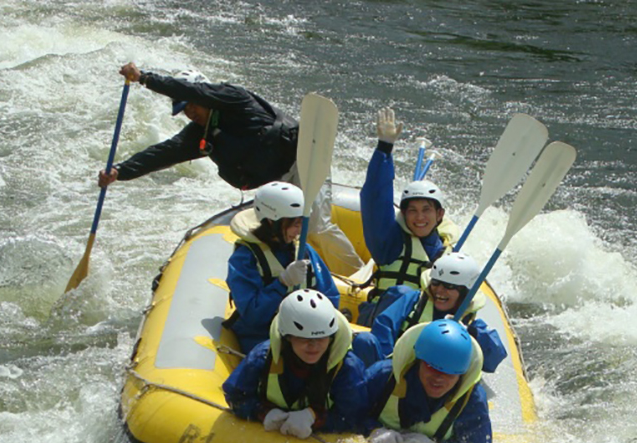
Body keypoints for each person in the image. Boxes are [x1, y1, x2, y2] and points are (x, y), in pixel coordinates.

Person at [98, 62, 363, 273]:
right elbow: (162, 153)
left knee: (315, 224)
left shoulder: (234, 99)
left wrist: (144, 78)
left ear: (204, 95)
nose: (189, 112)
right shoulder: (199, 135)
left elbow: (196, 91)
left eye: (191, 104)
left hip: (302, 161)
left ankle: (355, 275)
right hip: (277, 183)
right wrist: (121, 171)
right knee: (279, 233)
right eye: (183, 109)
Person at [357, 107, 457, 325]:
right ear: (403, 213)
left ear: (439, 215)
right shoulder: (389, 243)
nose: (419, 217)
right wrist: (384, 149)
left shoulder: (447, 252)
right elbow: (375, 198)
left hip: (417, 332)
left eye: (426, 210)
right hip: (380, 327)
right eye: (412, 210)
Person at [223, 289, 367, 438]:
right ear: (288, 337)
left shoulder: (348, 368)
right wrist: (263, 412)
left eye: (322, 338)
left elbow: (354, 418)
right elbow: (235, 396)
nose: (313, 346)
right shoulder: (263, 357)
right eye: (303, 338)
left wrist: (315, 418)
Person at [224, 181, 340, 354]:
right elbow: (252, 315)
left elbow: (330, 295)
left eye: (301, 223)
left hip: (307, 334)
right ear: (271, 222)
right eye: (294, 224)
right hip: (262, 337)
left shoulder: (303, 251)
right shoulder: (245, 258)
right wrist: (282, 283)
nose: (299, 230)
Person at [364, 319, 492, 443]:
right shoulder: (382, 376)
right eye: (432, 367)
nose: (438, 378)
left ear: (461, 375)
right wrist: (372, 430)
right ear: (419, 361)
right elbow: (347, 413)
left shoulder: (472, 400)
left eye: (450, 373)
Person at [352, 251, 507, 372]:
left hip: (436, 381)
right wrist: (390, 368)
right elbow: (383, 328)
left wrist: (470, 333)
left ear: (465, 292)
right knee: (365, 341)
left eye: (449, 286)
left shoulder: (472, 324)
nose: (439, 290)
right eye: (436, 282)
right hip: (394, 368)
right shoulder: (411, 300)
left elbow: (494, 359)